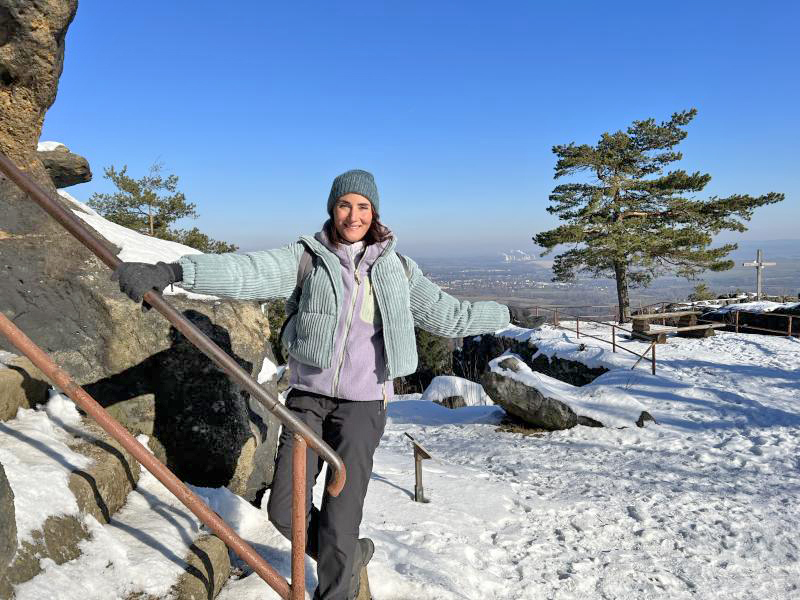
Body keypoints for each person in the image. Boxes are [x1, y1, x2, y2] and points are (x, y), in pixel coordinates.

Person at [112, 169, 510, 600]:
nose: (353, 215)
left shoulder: (398, 270)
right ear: (332, 209)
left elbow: (450, 317)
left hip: (363, 408)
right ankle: (347, 555)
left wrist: (501, 314)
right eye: (344, 205)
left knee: (341, 518)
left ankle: (338, 581)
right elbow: (245, 271)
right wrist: (174, 270)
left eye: (362, 206)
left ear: (374, 212)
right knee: (284, 511)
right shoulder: (308, 257)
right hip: (307, 403)